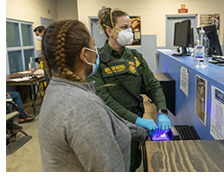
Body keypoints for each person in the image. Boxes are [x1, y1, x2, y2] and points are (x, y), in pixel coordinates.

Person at [39, 19, 147, 172]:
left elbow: (105, 127)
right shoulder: (84, 105)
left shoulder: (57, 90)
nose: (96, 51)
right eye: (93, 45)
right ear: (84, 55)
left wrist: (141, 132)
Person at [86, 7, 171, 171]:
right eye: (124, 28)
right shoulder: (96, 60)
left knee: (133, 162)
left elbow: (153, 85)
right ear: (110, 31)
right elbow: (104, 99)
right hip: (111, 127)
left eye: (130, 28)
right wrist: (137, 121)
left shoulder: (135, 57)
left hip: (136, 127)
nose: (130, 32)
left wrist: (162, 112)